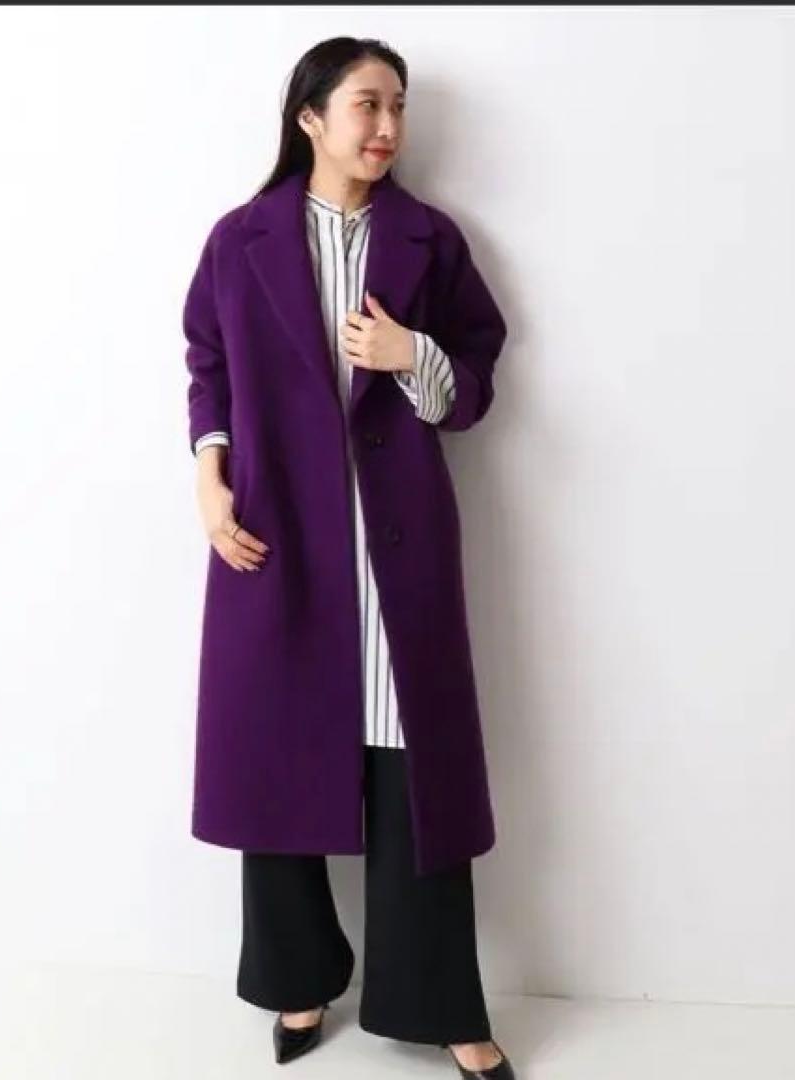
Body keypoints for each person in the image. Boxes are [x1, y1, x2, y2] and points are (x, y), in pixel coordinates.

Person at [184, 36, 514, 1079]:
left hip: (397, 542)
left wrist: (412, 354)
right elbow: (207, 365)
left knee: (417, 772)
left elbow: (477, 377)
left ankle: (441, 1003)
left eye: (398, 107)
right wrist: (209, 477)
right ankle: (299, 980)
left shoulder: (429, 240)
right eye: (367, 104)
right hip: (277, 539)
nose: (387, 127)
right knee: (273, 753)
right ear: (310, 117)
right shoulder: (241, 240)